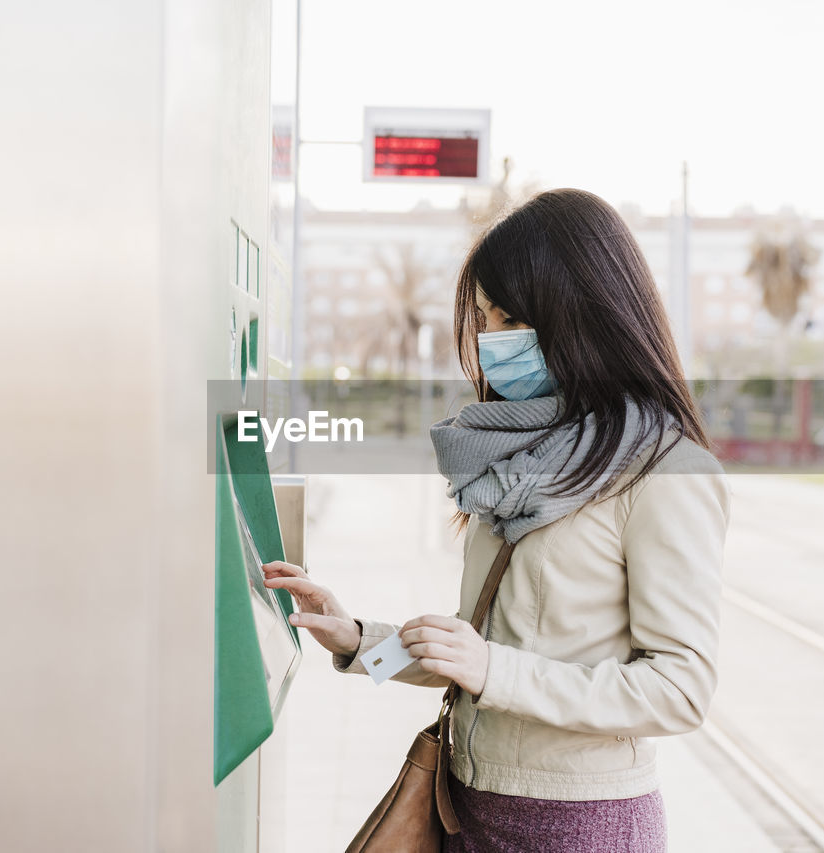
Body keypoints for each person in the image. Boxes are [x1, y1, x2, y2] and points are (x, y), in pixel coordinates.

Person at [263, 188, 732, 853]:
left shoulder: (663, 470)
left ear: (584, 313)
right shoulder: (513, 456)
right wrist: (357, 638)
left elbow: (680, 687)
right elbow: (478, 648)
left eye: (512, 317)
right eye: (484, 316)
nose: (491, 340)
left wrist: (494, 670)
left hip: (582, 825)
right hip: (468, 806)